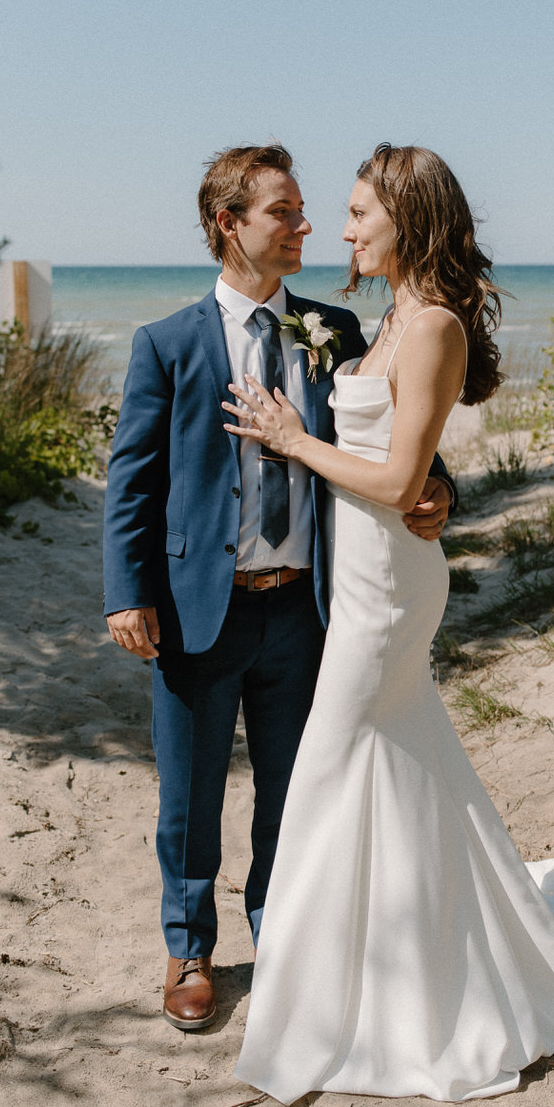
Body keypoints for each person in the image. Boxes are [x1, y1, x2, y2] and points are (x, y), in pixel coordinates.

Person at [227, 144, 554, 1104]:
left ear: (406, 216)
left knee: (330, 769)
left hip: (389, 584)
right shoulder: (387, 319)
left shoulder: (430, 325)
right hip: (356, 573)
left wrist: (292, 439)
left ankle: (328, 1008)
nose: (340, 231)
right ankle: (403, 971)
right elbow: (405, 465)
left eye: (356, 214)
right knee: (394, 767)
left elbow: (396, 481)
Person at [102, 144, 455, 1032]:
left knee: (293, 788)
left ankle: (280, 928)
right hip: (197, 610)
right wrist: (124, 592)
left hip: (308, 606)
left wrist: (443, 488)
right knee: (188, 793)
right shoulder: (168, 344)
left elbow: (397, 435)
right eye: (284, 213)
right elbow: (132, 483)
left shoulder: (332, 326)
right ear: (229, 224)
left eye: (307, 212)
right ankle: (189, 948)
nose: (306, 228)